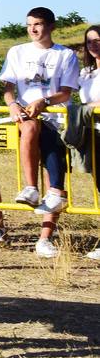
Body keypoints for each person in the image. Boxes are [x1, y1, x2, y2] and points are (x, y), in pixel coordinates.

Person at [0, 7, 79, 258]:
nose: (33, 29)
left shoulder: (65, 55)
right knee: (31, 127)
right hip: (27, 118)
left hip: (56, 118)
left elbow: (66, 92)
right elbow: (8, 88)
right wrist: (13, 105)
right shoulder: (17, 51)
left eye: (38, 24)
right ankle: (29, 186)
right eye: (29, 25)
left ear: (51, 26)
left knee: (54, 187)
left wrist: (45, 101)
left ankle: (45, 238)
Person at [78, 25, 100, 263]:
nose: (94, 45)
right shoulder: (85, 73)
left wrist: (90, 107)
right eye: (90, 41)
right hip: (93, 134)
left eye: (98, 40)